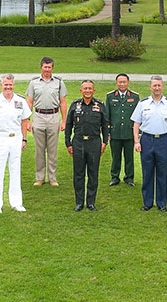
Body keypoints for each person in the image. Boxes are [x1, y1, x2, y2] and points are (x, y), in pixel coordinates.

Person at [0, 74, 32, 214]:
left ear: (13, 85)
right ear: (1, 85)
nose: (8, 87)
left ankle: (16, 203)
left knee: (15, 171)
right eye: (6, 85)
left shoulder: (20, 100)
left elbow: (24, 120)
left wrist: (24, 139)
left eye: (10, 84)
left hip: (15, 138)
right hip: (0, 138)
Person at [132, 76, 167, 212]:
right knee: (147, 173)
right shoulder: (143, 103)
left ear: (162, 87)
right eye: (154, 86)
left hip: (163, 141)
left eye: (159, 85)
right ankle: (147, 202)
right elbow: (136, 124)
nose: (157, 88)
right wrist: (136, 141)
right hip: (146, 140)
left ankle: (161, 203)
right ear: (150, 87)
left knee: (162, 173)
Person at [65, 80, 109, 211]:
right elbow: (68, 125)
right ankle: (79, 202)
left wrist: (105, 142)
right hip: (78, 142)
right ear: (81, 91)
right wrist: (68, 143)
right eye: (85, 88)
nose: (87, 91)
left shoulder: (100, 105)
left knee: (93, 174)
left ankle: (91, 202)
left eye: (90, 88)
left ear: (94, 91)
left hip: (94, 143)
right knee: (78, 174)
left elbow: (105, 125)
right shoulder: (74, 105)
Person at [26, 57, 67, 187]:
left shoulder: (59, 83)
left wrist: (64, 120)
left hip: (54, 116)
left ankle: (52, 178)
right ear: (41, 67)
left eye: (49, 67)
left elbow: (63, 102)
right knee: (39, 150)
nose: (47, 70)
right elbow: (29, 102)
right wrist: (27, 119)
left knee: (52, 149)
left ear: (52, 68)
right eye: (45, 67)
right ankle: (40, 178)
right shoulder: (33, 83)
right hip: (38, 116)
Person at [105, 73, 140, 186]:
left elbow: (138, 116)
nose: (122, 84)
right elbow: (107, 116)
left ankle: (129, 178)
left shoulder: (134, 97)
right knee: (115, 157)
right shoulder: (110, 96)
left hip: (129, 132)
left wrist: (138, 133)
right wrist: (108, 132)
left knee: (129, 157)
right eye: (120, 82)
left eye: (124, 82)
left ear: (128, 83)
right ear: (116, 83)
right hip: (115, 132)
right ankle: (115, 177)